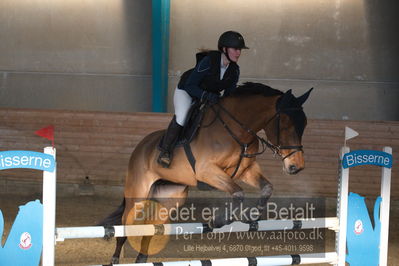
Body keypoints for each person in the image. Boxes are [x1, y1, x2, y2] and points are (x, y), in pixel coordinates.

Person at [157, 30, 249, 168]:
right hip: (187, 91)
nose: (238, 53)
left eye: (239, 50)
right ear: (224, 49)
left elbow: (229, 95)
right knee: (182, 116)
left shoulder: (234, 70)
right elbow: (190, 85)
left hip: (208, 97)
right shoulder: (209, 61)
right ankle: (165, 151)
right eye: (235, 49)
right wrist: (206, 95)